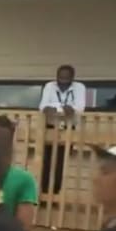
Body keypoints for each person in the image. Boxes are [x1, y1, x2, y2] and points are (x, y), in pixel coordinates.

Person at [38, 65, 86, 196]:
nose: (63, 80)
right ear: (56, 76)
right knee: (46, 161)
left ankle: (54, 194)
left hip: (68, 128)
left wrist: (57, 109)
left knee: (60, 163)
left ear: (72, 77)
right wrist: (63, 110)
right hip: (50, 127)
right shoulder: (50, 86)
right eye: (60, 77)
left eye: (66, 77)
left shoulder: (79, 87)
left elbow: (79, 108)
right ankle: (44, 193)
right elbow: (43, 107)